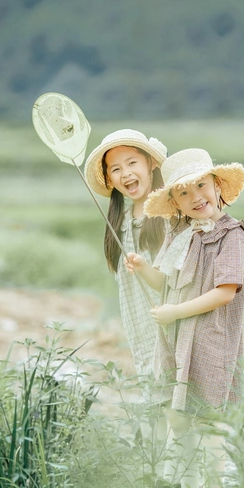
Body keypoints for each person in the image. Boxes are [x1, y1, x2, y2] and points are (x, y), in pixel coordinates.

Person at [125, 148, 244, 488]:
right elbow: (163, 282)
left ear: (216, 185)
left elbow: (225, 292)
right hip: (175, 339)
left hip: (209, 340)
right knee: (175, 415)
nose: (196, 196)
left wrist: (176, 312)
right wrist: (143, 266)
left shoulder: (232, 235)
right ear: (175, 203)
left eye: (201, 185)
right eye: (183, 192)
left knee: (207, 421)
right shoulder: (179, 232)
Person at [84, 129, 169, 381]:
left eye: (132, 163)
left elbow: (174, 280)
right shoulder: (121, 225)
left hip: (173, 330)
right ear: (110, 179)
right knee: (155, 403)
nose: (126, 173)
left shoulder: (169, 217)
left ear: (151, 163)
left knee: (177, 403)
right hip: (140, 333)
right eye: (116, 169)